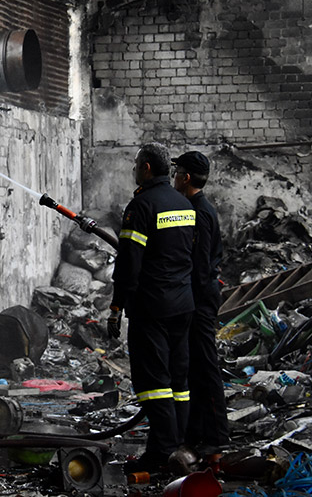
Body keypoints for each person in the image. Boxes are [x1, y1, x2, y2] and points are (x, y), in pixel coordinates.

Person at [107, 142, 196, 473]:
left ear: (146, 167)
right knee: (178, 381)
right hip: (183, 304)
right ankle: (180, 447)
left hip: (152, 307)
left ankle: (162, 453)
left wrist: (117, 306)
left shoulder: (141, 206)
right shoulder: (183, 203)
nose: (133, 169)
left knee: (154, 382)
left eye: (136, 163)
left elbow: (129, 264)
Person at [171, 151, 229, 456]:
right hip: (195, 299)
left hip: (201, 302)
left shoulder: (200, 212)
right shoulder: (192, 208)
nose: (174, 177)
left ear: (186, 178)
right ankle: (195, 433)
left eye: (177, 172)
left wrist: (190, 300)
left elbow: (202, 265)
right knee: (193, 368)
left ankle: (217, 437)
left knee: (206, 367)